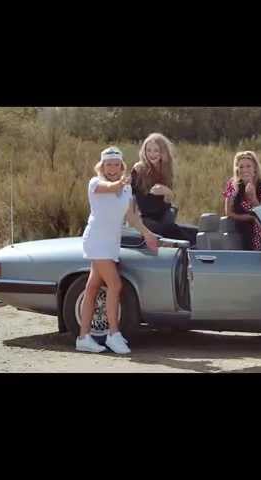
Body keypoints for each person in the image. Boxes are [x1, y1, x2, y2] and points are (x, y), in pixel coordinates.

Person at [78, 146, 159, 355]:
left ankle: (83, 337)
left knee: (92, 287)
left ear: (121, 166)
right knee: (115, 285)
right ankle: (113, 334)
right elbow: (110, 187)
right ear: (102, 166)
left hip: (111, 243)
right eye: (108, 164)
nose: (112, 168)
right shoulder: (95, 183)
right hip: (96, 240)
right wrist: (121, 183)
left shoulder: (126, 189)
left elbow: (131, 217)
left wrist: (147, 234)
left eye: (116, 164)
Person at [131, 133, 198, 246]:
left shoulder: (166, 170)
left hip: (164, 218)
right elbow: (131, 198)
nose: (152, 154)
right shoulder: (139, 169)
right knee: (170, 234)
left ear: (163, 152)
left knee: (195, 234)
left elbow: (167, 201)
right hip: (146, 220)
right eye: (148, 150)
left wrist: (168, 192)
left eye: (156, 151)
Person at [222, 151, 261, 250]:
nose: (244, 170)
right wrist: (251, 218)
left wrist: (253, 198)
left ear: (255, 168)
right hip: (243, 231)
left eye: (248, 166)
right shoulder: (233, 185)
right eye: (241, 167)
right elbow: (228, 213)